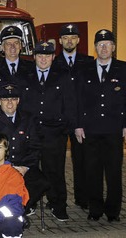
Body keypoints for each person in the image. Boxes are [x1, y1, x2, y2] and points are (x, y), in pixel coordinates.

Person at [22, 41, 77, 221]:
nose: (43, 59)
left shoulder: (62, 76)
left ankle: (58, 204)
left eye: (47, 56)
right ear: (34, 57)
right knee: (30, 169)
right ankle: (29, 202)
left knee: (55, 170)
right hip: (31, 132)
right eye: (40, 55)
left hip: (55, 132)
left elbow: (70, 104)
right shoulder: (25, 76)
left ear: (53, 57)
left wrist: (67, 129)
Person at [76, 29, 126, 222]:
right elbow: (78, 100)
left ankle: (113, 211)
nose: (104, 48)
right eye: (100, 44)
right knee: (92, 171)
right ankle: (95, 209)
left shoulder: (123, 69)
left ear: (113, 47)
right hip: (91, 129)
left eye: (107, 44)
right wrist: (78, 125)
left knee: (114, 171)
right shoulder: (85, 70)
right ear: (95, 47)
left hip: (114, 129)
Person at [0, 84, 49, 216]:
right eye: (5, 99)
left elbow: (35, 146)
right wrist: (7, 167)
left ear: (18, 101)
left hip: (24, 165)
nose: (9, 103)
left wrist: (24, 167)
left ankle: (18, 211)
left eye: (13, 99)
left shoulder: (29, 119)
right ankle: (12, 213)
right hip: (1, 166)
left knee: (42, 183)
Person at [52, 23, 94, 210]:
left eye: (73, 37)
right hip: (60, 120)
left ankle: (82, 198)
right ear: (60, 41)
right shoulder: (53, 63)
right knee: (57, 162)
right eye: (65, 38)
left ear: (78, 40)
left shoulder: (88, 63)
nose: (69, 41)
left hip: (81, 120)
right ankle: (58, 200)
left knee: (82, 161)